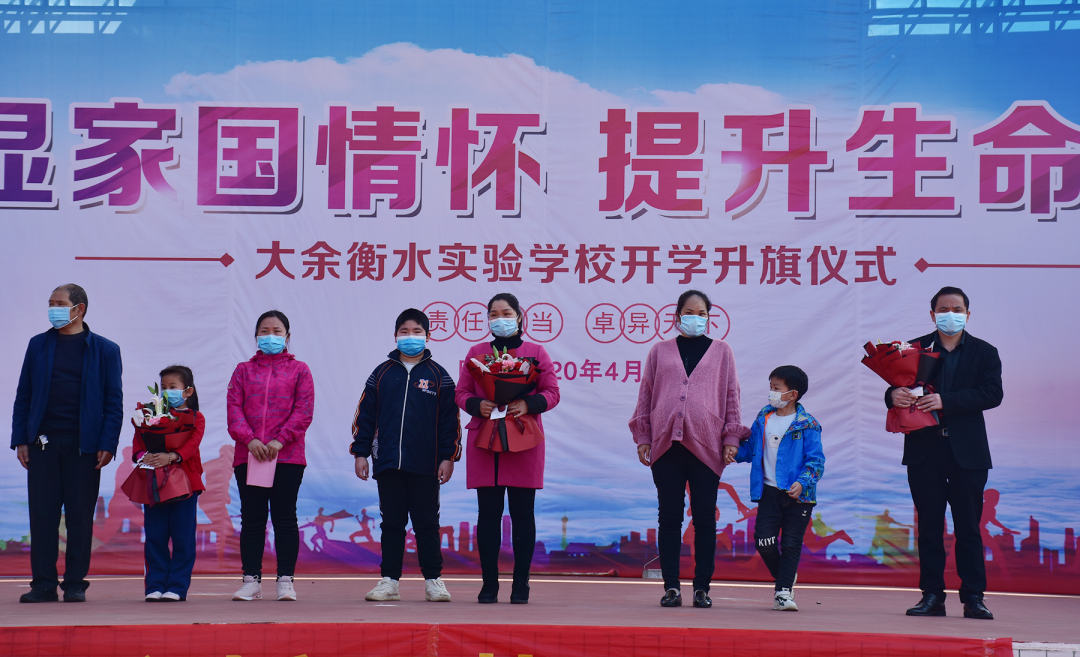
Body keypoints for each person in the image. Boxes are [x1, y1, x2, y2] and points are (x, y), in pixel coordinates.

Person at [885, 286, 1002, 620]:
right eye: (944, 309)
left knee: (968, 527)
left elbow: (992, 393)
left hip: (968, 453)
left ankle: (974, 598)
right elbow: (896, 386)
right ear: (932, 314)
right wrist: (894, 395)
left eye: (957, 309)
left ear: (968, 314)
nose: (951, 315)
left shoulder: (984, 352)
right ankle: (932, 596)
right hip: (925, 450)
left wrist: (945, 401)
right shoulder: (913, 349)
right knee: (929, 527)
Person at [629, 289, 749, 609]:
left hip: (707, 447)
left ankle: (701, 588)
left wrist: (731, 439)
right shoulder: (659, 351)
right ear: (677, 316)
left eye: (702, 313)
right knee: (669, 517)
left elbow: (731, 396)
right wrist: (643, 436)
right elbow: (646, 394)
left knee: (705, 519)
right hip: (666, 445)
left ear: (709, 317)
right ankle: (671, 586)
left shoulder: (722, 351)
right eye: (689, 312)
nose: (695, 317)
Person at [11, 284, 122, 603]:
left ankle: (74, 584)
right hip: (42, 444)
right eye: (50, 303)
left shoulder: (105, 349)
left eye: (59, 303)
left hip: (84, 446)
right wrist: (21, 439)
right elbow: (24, 395)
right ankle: (43, 584)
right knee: (42, 516)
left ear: (79, 309)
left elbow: (113, 402)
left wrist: (108, 443)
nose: (52, 309)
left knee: (79, 517)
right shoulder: (38, 345)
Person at [455, 293, 561, 604]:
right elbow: (461, 392)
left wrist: (528, 403)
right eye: (493, 314)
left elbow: (552, 392)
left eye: (506, 313)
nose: (499, 319)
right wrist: (477, 404)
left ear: (519, 316)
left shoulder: (535, 352)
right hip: (484, 441)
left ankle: (521, 584)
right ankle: (489, 584)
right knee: (488, 514)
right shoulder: (476, 353)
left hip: (523, 439)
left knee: (523, 514)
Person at [351, 308, 461, 603]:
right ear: (395, 336)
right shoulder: (381, 373)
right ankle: (389, 581)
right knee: (392, 524)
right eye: (404, 332)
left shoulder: (439, 376)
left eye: (416, 332)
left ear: (427, 336)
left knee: (427, 523)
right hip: (387, 461)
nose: (410, 337)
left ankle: (434, 581)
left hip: (426, 464)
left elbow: (450, 422)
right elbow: (365, 416)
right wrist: (361, 453)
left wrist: (448, 457)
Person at [227, 310, 314, 602]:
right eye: (264, 331)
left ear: (287, 336)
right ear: (256, 336)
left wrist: (280, 440)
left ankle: (285, 581)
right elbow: (233, 409)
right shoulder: (243, 371)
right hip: (249, 455)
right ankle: (251, 581)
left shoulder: (300, 370)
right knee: (252, 520)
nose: (270, 336)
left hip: (287, 457)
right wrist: (250, 440)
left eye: (277, 331)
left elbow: (304, 410)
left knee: (284, 518)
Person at [731, 365, 824, 611]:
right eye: (770, 387)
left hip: (799, 496)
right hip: (769, 492)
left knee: (791, 544)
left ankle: (783, 593)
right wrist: (732, 452)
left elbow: (816, 461)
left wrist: (802, 482)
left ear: (792, 394)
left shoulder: (808, 424)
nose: (771, 392)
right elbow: (751, 449)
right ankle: (786, 575)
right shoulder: (764, 417)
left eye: (776, 388)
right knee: (764, 542)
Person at [136, 365, 205, 602]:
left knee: (183, 537)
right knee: (155, 536)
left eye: (173, 387)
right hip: (155, 483)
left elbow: (192, 445)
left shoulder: (196, 417)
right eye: (163, 387)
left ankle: (177, 586)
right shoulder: (149, 416)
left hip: (186, 485)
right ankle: (155, 585)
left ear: (187, 391)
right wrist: (143, 456)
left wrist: (173, 456)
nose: (167, 392)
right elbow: (139, 441)